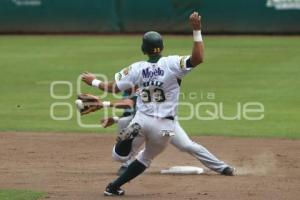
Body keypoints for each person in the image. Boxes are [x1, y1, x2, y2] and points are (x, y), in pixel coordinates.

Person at [82, 12, 226, 196]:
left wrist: (94, 81)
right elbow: (197, 59)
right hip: (165, 127)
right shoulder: (172, 63)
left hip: (142, 120)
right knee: (146, 158)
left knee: (118, 156)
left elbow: (112, 88)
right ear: (162, 47)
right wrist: (196, 30)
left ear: (144, 50)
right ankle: (113, 186)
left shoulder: (136, 68)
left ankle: (122, 156)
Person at [100, 95, 234, 177]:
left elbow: (129, 103)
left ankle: (222, 167)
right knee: (125, 123)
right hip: (144, 126)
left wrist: (102, 104)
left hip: (167, 128)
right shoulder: (141, 89)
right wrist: (115, 119)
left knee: (186, 145)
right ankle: (127, 164)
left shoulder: (164, 86)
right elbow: (131, 110)